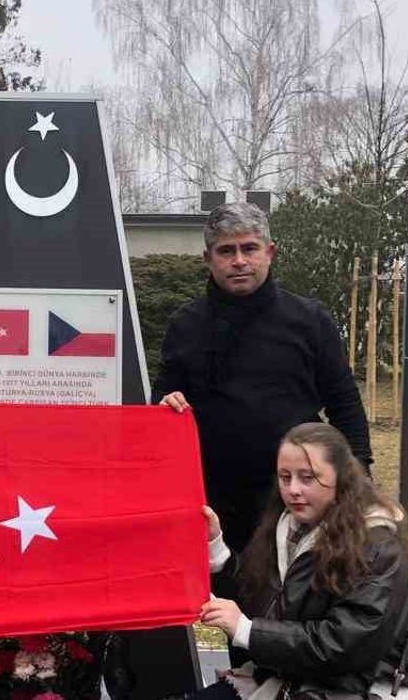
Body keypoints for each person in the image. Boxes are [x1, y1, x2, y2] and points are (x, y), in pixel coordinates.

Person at [156, 201, 371, 553]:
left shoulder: (309, 320)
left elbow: (344, 403)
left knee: (291, 601)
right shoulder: (185, 325)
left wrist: (359, 480)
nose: (239, 261)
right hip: (211, 501)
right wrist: (167, 407)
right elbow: (164, 406)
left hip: (294, 496)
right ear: (208, 259)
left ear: (270, 252)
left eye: (249, 248)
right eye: (226, 251)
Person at [191, 422, 408, 700]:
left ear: (341, 477)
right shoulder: (286, 527)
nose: (293, 490)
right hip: (294, 681)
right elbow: (263, 598)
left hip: (359, 690)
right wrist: (217, 549)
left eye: (308, 478)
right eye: (284, 476)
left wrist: (248, 631)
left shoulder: (378, 548)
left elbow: (343, 645)